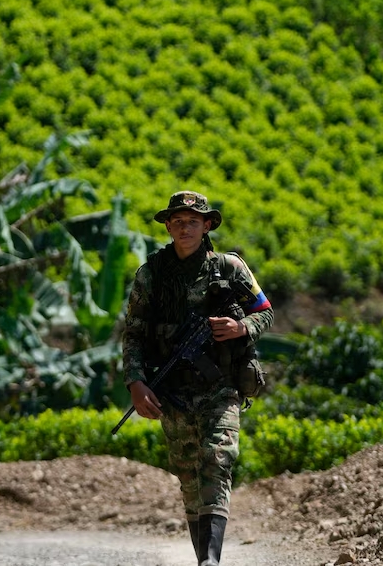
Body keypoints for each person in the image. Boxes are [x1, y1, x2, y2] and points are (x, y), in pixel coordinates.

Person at [123, 190, 274, 566]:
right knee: (189, 478)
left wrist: (241, 327)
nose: (184, 227)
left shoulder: (229, 268)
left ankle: (211, 560)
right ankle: (203, 557)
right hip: (171, 390)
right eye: (177, 221)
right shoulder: (152, 275)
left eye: (192, 220)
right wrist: (135, 382)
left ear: (207, 225)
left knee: (217, 459)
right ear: (168, 227)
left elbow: (266, 311)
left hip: (220, 385)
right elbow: (134, 335)